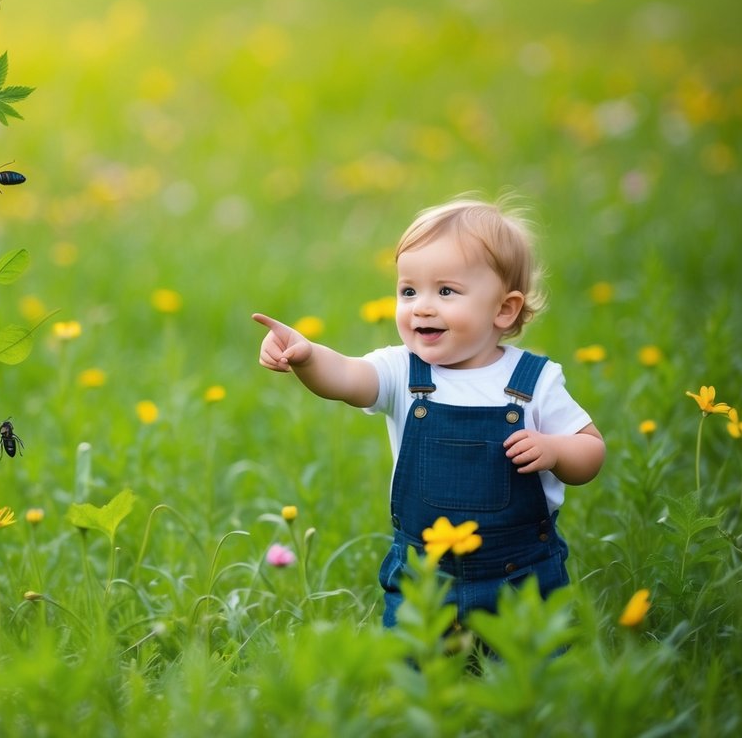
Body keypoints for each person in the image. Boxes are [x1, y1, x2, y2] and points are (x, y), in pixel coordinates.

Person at [253, 198, 605, 627]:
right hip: (423, 577)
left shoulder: (535, 381)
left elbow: (590, 450)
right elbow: (345, 376)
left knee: (530, 668)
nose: (421, 306)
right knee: (410, 666)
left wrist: (555, 450)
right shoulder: (402, 370)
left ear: (504, 309)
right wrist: (306, 356)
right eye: (408, 290)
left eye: (445, 291)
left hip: (520, 575)